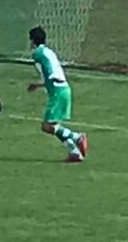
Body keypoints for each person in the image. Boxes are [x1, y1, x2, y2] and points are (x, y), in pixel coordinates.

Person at [27, 27, 88, 163]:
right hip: (63, 88)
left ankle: (77, 139)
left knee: (47, 126)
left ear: (32, 40)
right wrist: (39, 85)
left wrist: (43, 83)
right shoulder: (48, 52)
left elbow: (48, 73)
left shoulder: (38, 55)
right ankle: (75, 151)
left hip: (57, 91)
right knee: (52, 126)